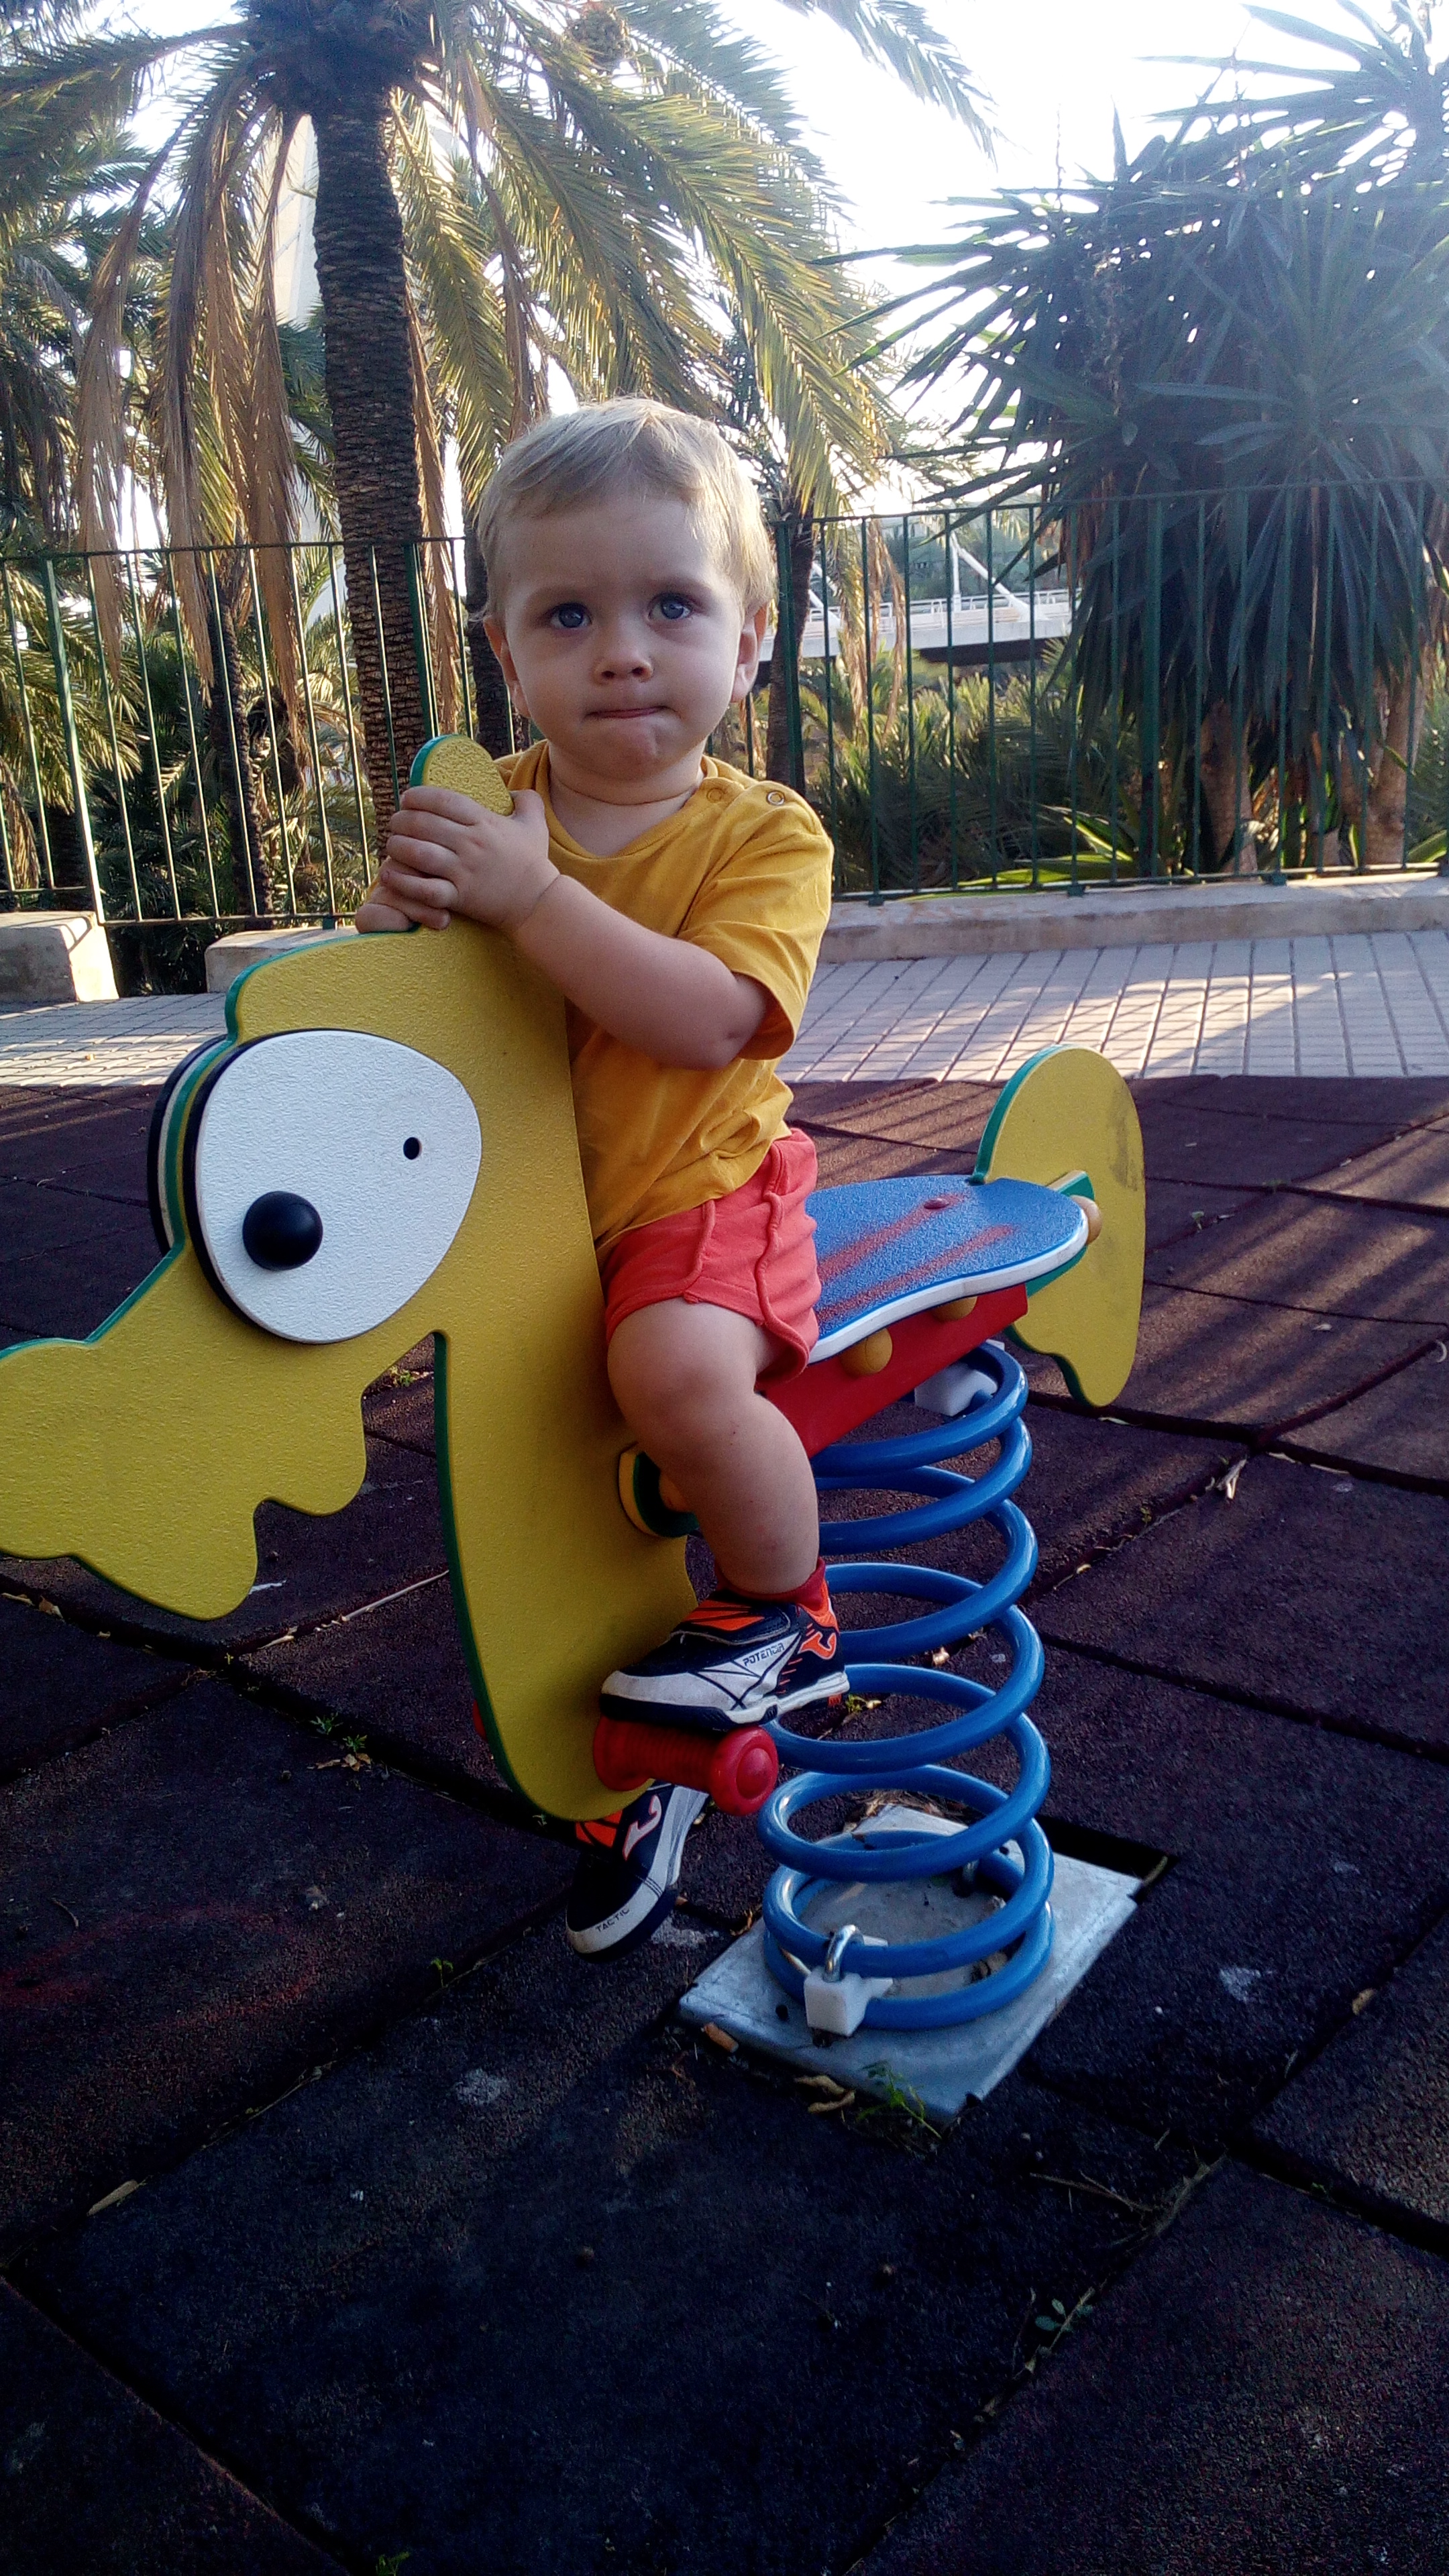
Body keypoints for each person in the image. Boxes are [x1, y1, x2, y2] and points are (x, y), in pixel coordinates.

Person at [357, 398, 844, 1960]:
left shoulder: (765, 837)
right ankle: (614, 1752)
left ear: (749, 642)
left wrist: (531, 898)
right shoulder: (484, 814)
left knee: (672, 1376)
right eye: (568, 615)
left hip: (703, 1194)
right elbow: (401, 1004)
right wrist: (401, 924)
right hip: (531, 1224)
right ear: (507, 654)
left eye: (672, 606)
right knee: (517, 1471)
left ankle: (786, 1612)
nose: (623, 652)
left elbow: (708, 1021)